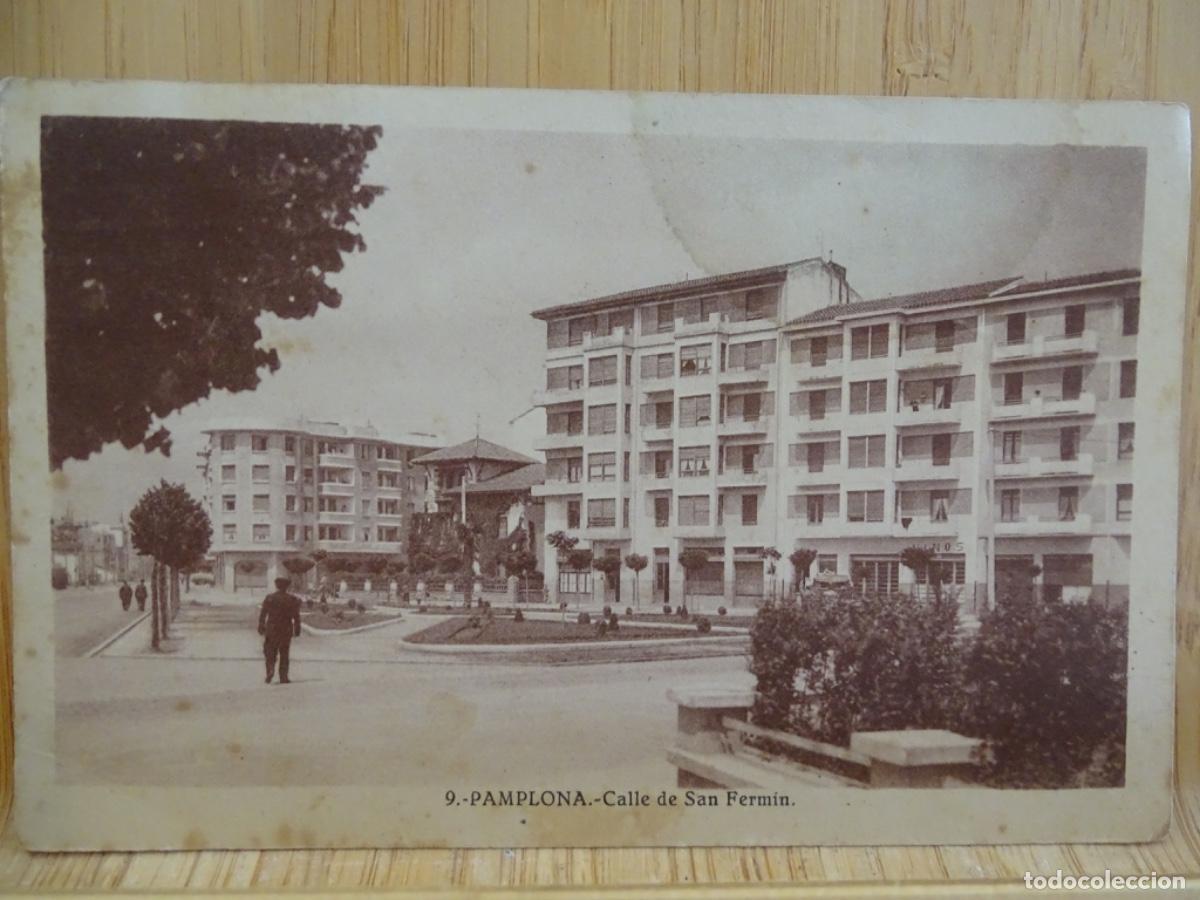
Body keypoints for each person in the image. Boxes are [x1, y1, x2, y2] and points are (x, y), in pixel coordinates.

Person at [258, 577, 302, 684]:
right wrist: (297, 628)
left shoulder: (270, 598)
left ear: (277, 586)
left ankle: (270, 669)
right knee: (284, 653)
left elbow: (263, 614)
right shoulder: (292, 599)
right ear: (287, 586)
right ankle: (283, 677)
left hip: (272, 628)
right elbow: (296, 616)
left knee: (269, 651)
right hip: (286, 628)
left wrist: (261, 626)